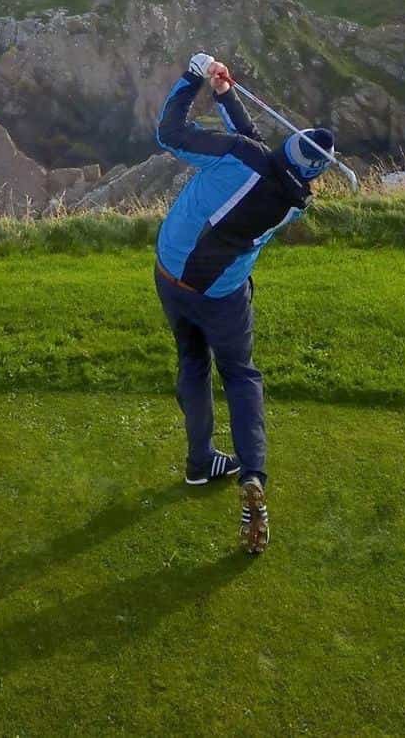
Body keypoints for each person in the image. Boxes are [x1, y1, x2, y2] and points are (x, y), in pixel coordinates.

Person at [153, 51, 336, 555]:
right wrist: (228, 96)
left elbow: (169, 133)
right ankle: (251, 473)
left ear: (286, 146)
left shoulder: (238, 153)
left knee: (192, 363)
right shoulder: (297, 202)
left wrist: (194, 78)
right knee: (240, 375)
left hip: (171, 275)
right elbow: (265, 160)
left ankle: (199, 462)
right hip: (224, 295)